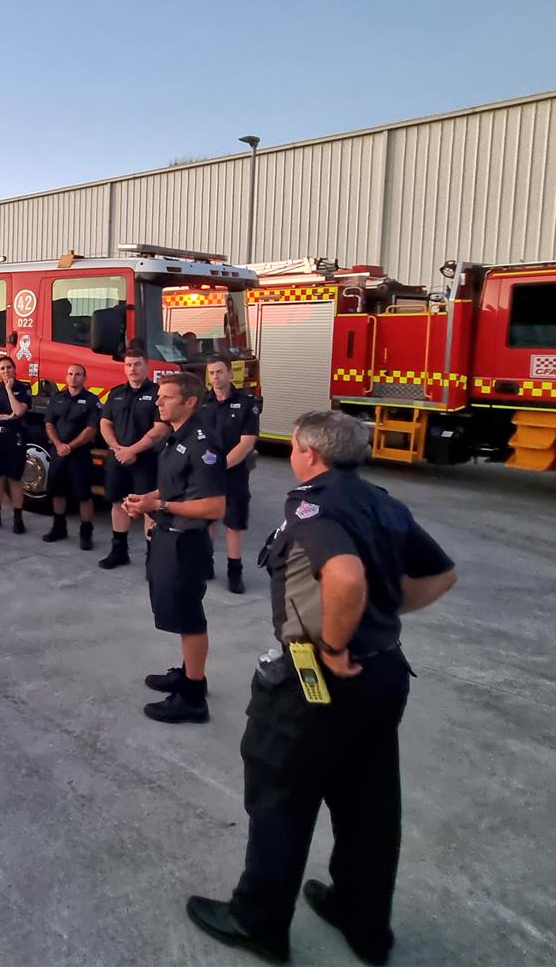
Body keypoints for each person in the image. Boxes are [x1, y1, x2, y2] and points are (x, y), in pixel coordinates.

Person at [185, 410, 458, 965]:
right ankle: (363, 921)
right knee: (369, 803)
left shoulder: (312, 502)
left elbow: (345, 575)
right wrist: (380, 612)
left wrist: (335, 642)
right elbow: (439, 574)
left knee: (281, 795)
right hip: (384, 674)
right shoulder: (383, 500)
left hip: (320, 676)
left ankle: (257, 920)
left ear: (309, 453)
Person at [126, 371, 227, 724]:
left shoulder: (202, 444)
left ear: (190, 402)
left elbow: (214, 507)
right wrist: (147, 499)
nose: (158, 401)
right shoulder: (175, 436)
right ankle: (188, 672)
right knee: (176, 611)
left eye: (167, 397)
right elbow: (174, 489)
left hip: (187, 541)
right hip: (169, 535)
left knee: (189, 618)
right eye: (159, 396)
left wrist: (160, 507)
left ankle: (193, 696)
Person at [96, 348, 170, 570]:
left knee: (148, 507)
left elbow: (160, 429)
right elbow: (105, 423)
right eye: (129, 365)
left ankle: (152, 558)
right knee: (118, 502)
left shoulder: (158, 393)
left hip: (147, 460)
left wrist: (133, 451)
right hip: (118, 458)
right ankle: (119, 551)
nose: (133, 369)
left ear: (147, 366)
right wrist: (117, 448)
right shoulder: (116, 393)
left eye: (137, 364)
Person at [202, 357, 261, 594]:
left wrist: (222, 465)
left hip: (234, 472)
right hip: (207, 472)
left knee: (234, 523)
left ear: (229, 374)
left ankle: (234, 571)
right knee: (207, 519)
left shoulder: (246, 403)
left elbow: (247, 442)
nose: (215, 377)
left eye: (219, 372)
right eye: (211, 373)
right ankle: (206, 564)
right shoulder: (202, 403)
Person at [42, 364, 101, 550]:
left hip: (79, 454)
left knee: (84, 495)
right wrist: (59, 445)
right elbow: (49, 424)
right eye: (70, 374)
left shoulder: (92, 400)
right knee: (57, 492)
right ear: (66, 377)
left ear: (85, 378)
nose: (73, 377)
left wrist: (70, 446)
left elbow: (91, 429)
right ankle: (59, 528)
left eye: (78, 375)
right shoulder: (58, 398)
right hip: (58, 452)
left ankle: (86, 533)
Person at [0, 355, 31, 533]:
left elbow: (18, 411)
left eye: (9, 367)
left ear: (14, 369)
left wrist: (10, 391)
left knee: (14, 479)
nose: (6, 371)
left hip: (14, 438)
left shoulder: (23, 388)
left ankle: (18, 518)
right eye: (2, 368)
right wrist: (4, 417)